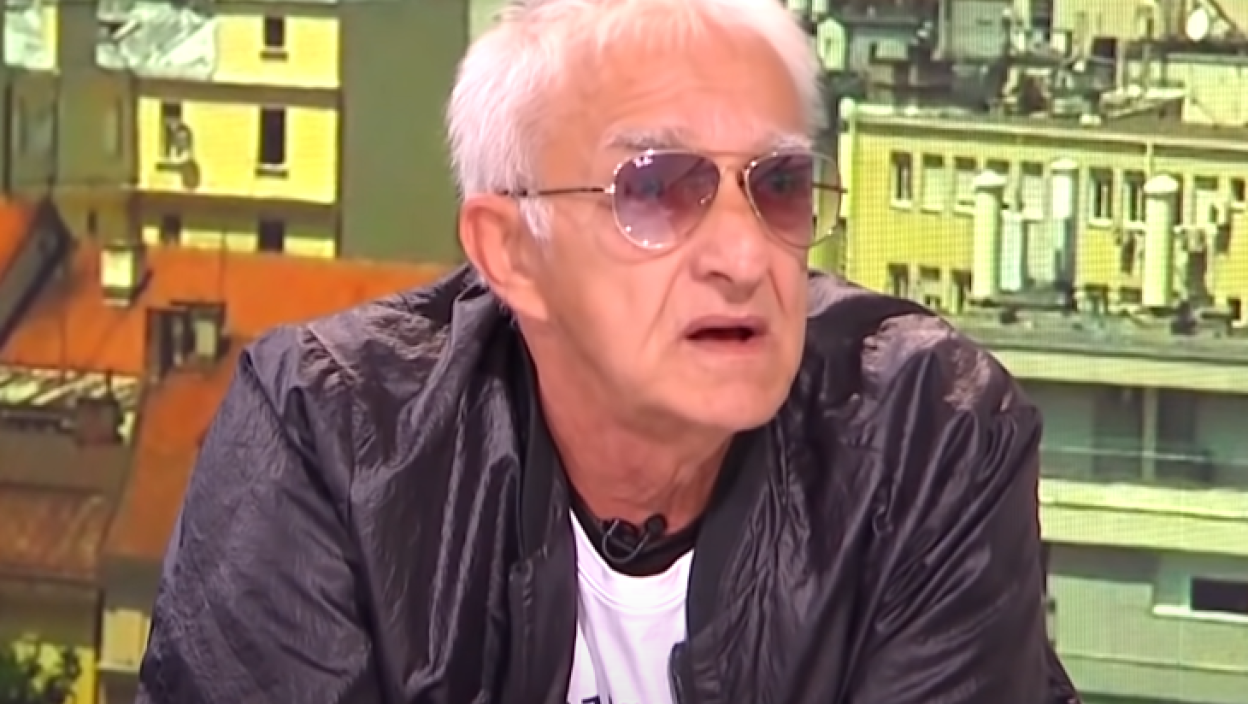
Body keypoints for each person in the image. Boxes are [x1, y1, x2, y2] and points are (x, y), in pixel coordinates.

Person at [137, 0, 1080, 702]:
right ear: (512, 253)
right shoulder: (331, 432)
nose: (744, 254)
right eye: (658, 188)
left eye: (779, 185)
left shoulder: (926, 435)